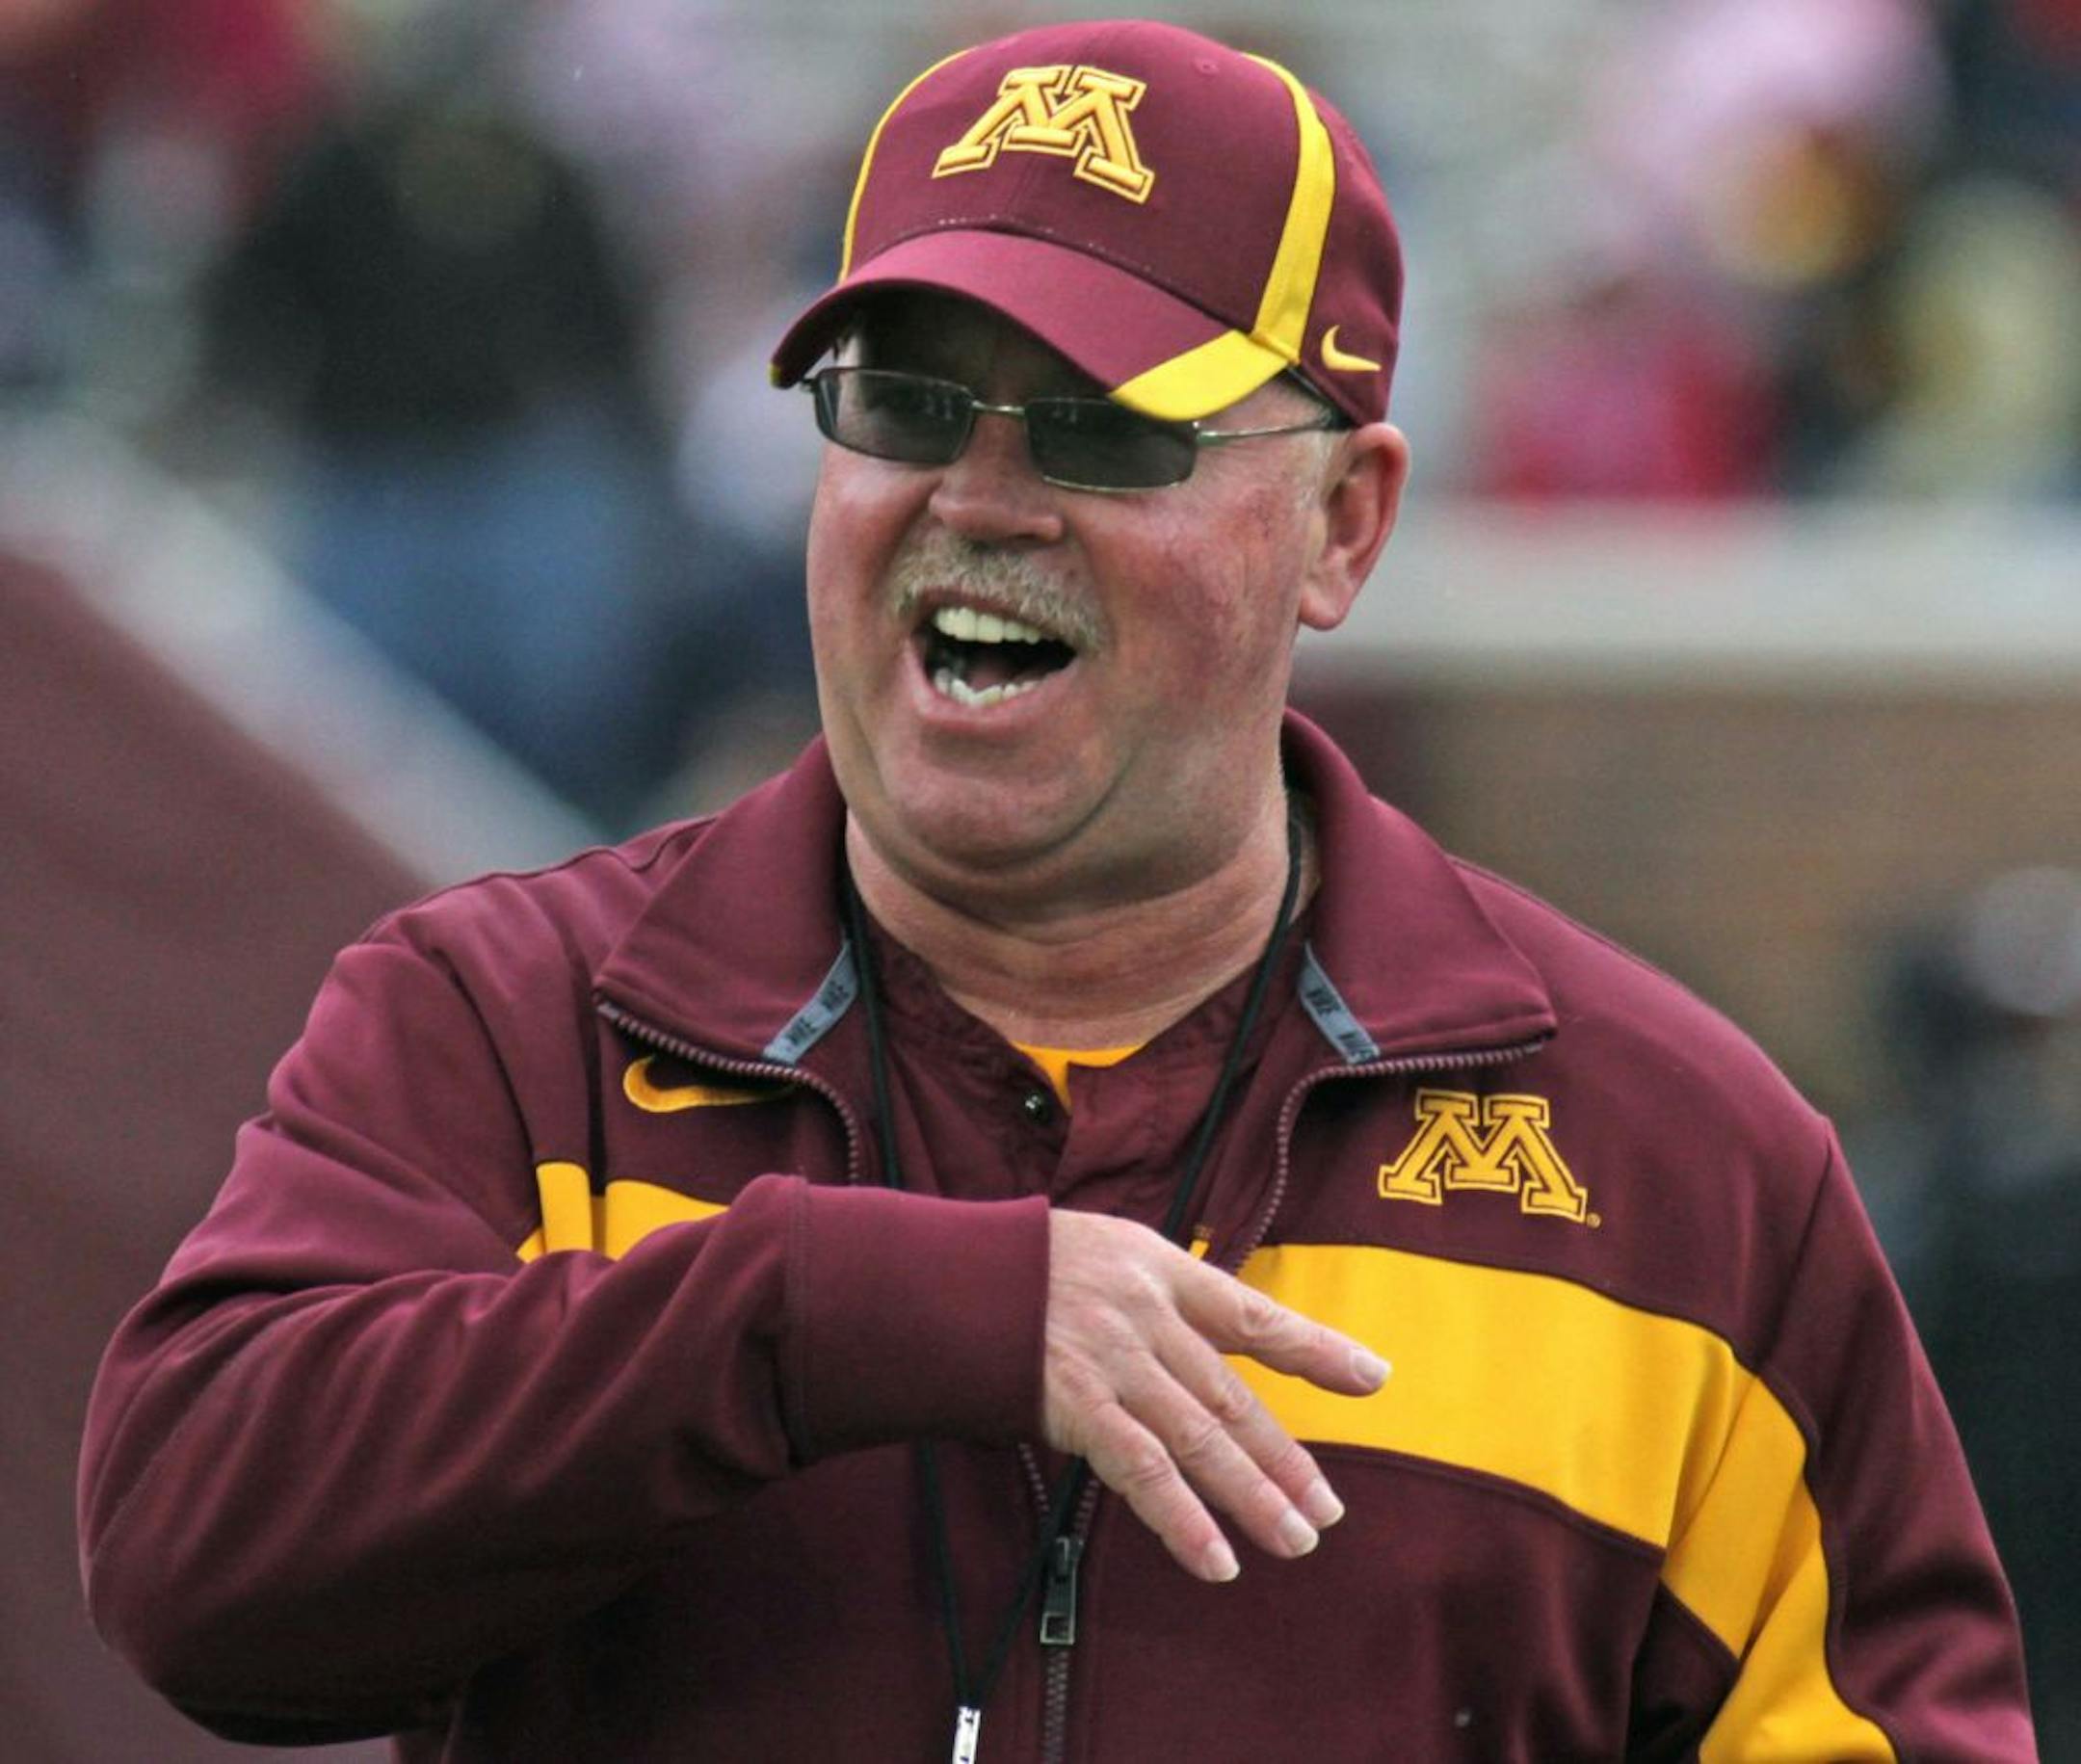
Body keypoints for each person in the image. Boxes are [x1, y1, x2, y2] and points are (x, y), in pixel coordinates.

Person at [79, 20, 2035, 1761]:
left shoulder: (1678, 1162)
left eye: (1104, 428)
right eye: (907, 403)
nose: (983, 497)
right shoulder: (507, 1027)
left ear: (1341, 524)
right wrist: (823, 1310)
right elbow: (194, 1560)